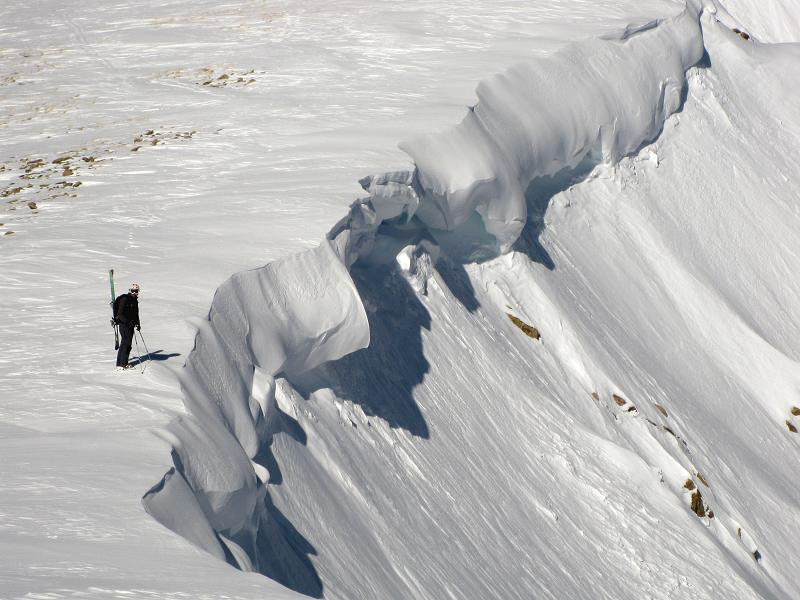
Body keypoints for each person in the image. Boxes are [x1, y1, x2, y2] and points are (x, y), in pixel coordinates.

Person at [114, 283, 141, 370]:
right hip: (124, 325)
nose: (134, 293)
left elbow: (136, 314)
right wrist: (127, 322)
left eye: (136, 291)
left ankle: (120, 363)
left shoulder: (135, 301)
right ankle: (123, 364)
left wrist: (138, 323)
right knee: (126, 344)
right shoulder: (125, 299)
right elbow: (120, 314)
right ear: (130, 290)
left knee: (125, 343)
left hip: (130, 325)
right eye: (133, 291)